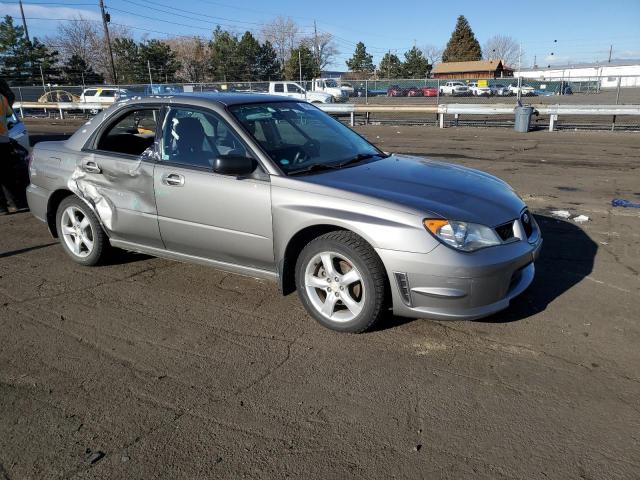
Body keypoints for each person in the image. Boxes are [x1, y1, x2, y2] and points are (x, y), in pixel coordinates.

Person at [0, 79, 29, 215]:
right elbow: (7, 114)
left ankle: (2, 208)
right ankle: (15, 203)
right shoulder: (2, 98)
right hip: (4, 141)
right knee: (7, 174)